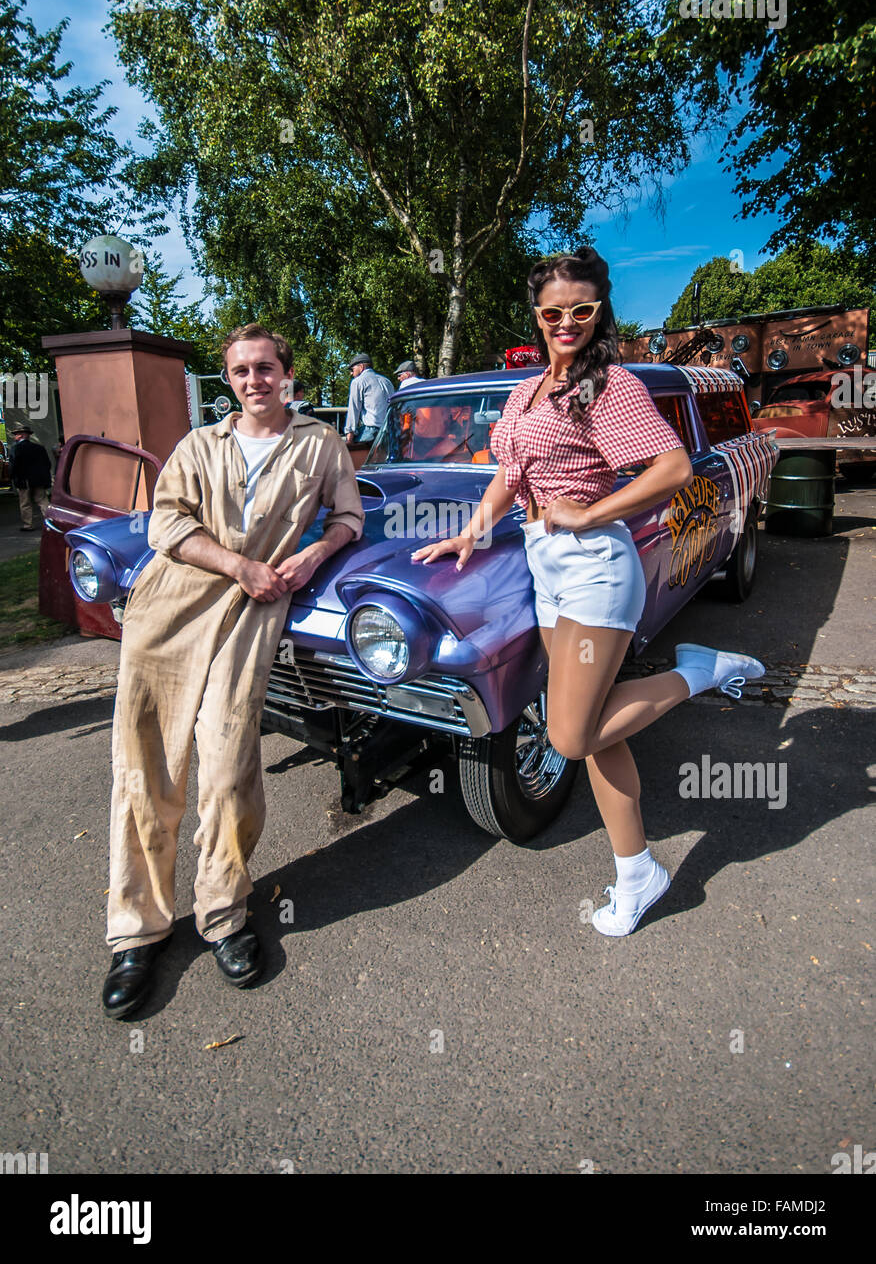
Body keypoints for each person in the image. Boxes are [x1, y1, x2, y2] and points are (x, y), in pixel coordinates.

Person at [412, 248, 764, 937]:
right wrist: (473, 534)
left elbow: (671, 467)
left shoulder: (612, 386)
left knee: (571, 734)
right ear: (537, 316)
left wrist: (592, 513)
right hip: (547, 565)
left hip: (595, 565)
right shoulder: (528, 390)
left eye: (581, 309)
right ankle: (638, 873)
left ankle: (698, 671)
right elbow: (509, 474)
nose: (566, 321)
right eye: (553, 311)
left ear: (599, 310)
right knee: (602, 734)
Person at [101, 322, 364, 1019]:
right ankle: (137, 932)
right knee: (145, 768)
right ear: (230, 380)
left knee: (227, 766)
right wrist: (238, 565)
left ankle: (223, 912)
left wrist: (311, 556)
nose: (254, 381)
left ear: (287, 374)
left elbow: (348, 518)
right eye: (241, 371)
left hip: (254, 615)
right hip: (172, 609)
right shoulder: (198, 445)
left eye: (265, 368)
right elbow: (166, 525)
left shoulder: (320, 443)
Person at [9, 424, 52, 532]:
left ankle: (28, 525)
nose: (15, 437)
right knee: (42, 501)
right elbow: (47, 464)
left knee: (25, 503)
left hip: (24, 480)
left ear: (22, 436)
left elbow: (13, 465)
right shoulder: (39, 448)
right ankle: (50, 523)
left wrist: (12, 478)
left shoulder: (16, 448)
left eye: (16, 434)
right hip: (39, 479)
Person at [344, 352, 394, 445]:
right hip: (390, 431)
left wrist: (349, 438)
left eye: (352, 369)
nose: (351, 373)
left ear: (361, 366)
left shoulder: (358, 382)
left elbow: (353, 410)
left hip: (372, 432)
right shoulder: (387, 381)